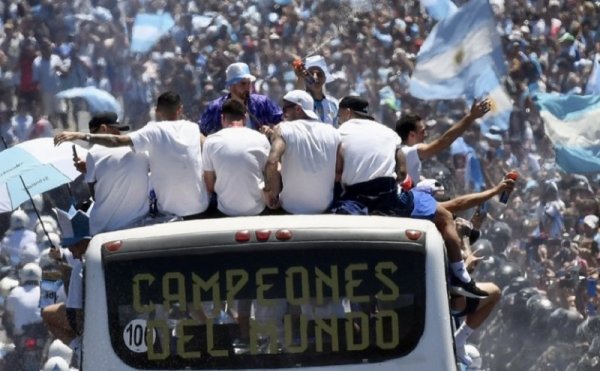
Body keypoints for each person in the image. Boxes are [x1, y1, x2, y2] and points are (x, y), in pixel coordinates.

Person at [336, 96, 487, 298]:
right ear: (411, 134)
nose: (427, 134)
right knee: (443, 215)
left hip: (356, 200)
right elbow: (402, 171)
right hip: (390, 197)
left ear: (346, 112)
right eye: (423, 130)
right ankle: (459, 276)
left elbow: (337, 172)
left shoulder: (338, 133)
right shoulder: (391, 137)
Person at [54, 91, 209, 219]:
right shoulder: (194, 128)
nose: (119, 131)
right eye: (116, 128)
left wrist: (81, 136)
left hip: (168, 212)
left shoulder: (153, 130)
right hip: (201, 207)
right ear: (180, 109)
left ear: (156, 111)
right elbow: (210, 146)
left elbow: (116, 142)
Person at [263, 90, 341, 214]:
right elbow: (338, 171)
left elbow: (272, 161)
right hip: (325, 208)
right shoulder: (333, 132)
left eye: (285, 109)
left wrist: (271, 193)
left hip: (290, 209)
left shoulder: (283, 128)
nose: (283, 114)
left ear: (298, 109)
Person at [72, 111, 149, 235]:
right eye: (117, 130)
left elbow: (96, 196)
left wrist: (88, 170)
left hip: (106, 230)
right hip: (140, 225)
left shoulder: (93, 153)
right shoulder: (141, 149)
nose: (119, 134)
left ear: (103, 129)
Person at [395, 99, 491, 183]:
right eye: (423, 132)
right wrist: (470, 117)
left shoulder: (399, 150)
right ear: (411, 135)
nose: (426, 135)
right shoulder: (411, 151)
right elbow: (443, 141)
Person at [202, 99, 270, 216]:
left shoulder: (210, 141)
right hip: (258, 210)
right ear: (245, 118)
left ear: (222, 118)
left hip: (225, 211)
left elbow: (209, 185)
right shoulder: (261, 138)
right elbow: (270, 173)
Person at [42, 206, 91, 366]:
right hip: (83, 317)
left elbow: (76, 311)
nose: (70, 249)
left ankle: (79, 348)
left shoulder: (79, 267)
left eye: (73, 245)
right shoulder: (80, 259)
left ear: (84, 242)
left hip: (83, 319)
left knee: (48, 315)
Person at [199, 62, 283, 135]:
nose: (247, 87)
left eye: (249, 83)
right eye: (243, 84)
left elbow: (283, 121)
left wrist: (272, 130)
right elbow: (200, 132)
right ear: (231, 86)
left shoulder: (262, 103)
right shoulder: (216, 108)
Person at [293, 55, 339, 126]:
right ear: (304, 78)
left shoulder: (334, 104)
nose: (315, 77)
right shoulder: (302, 103)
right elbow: (297, 98)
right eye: (311, 74)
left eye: (319, 74)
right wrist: (300, 76)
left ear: (325, 78)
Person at [3, 262, 43, 338]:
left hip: (21, 334)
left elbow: (8, 312)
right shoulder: (46, 292)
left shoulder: (15, 292)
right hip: (42, 334)